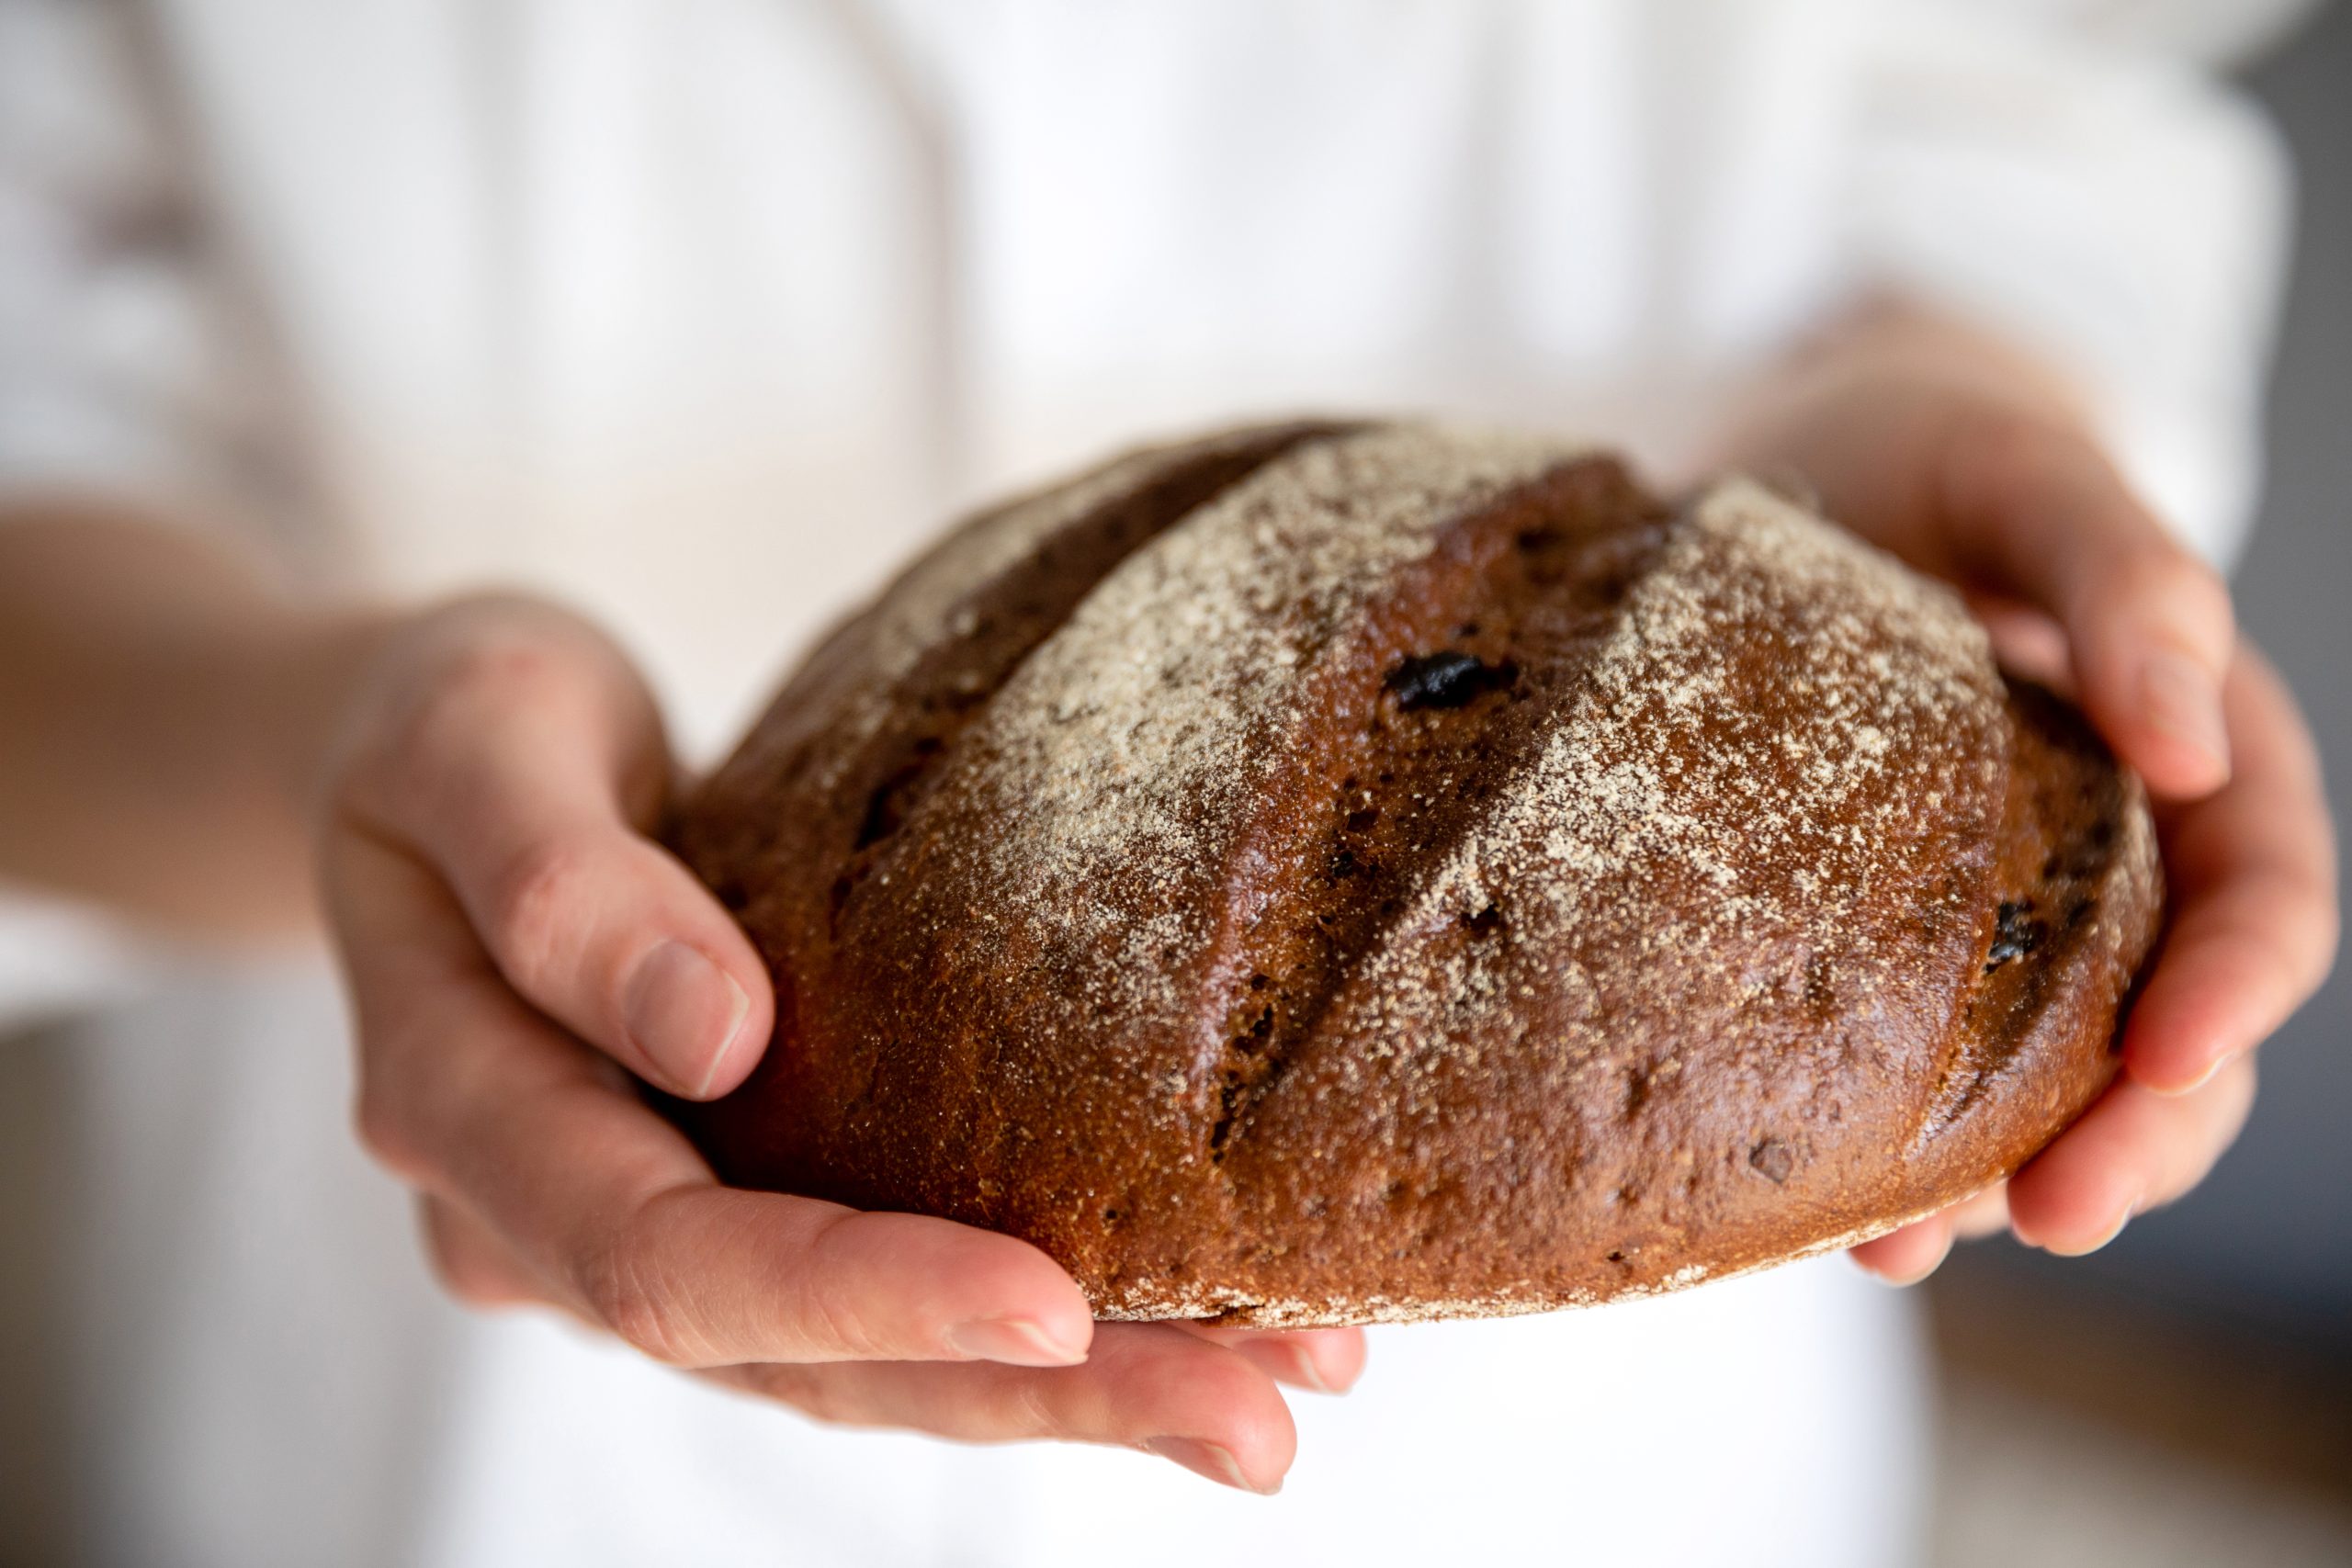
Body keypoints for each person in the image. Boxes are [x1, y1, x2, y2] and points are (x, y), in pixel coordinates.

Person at [0, 2, 2335, 1563]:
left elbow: (2023, 105)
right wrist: (335, 744)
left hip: (1600, 1443)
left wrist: (1957, 413)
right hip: (432, 1433)